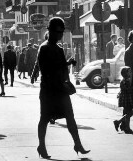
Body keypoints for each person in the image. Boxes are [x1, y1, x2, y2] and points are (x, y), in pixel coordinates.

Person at [35, 17, 89, 159]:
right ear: (51, 32)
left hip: (60, 89)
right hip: (49, 90)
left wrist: (67, 64)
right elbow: (46, 69)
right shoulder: (44, 48)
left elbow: (59, 66)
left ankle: (77, 144)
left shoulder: (58, 48)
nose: (60, 35)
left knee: (70, 117)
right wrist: (64, 66)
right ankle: (41, 146)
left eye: (61, 32)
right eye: (58, 32)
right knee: (45, 119)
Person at [113, 66, 133, 134]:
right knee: (129, 113)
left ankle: (125, 127)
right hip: (127, 98)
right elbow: (128, 89)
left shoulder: (123, 80)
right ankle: (118, 122)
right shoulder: (127, 80)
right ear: (126, 73)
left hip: (124, 98)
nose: (131, 73)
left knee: (125, 113)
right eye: (130, 72)